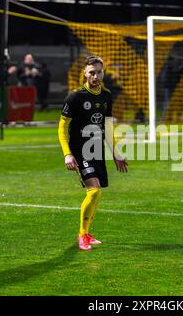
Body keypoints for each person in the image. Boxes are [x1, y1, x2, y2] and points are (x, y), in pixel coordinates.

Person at [58, 55, 128, 251]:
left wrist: (116, 153)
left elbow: (107, 127)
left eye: (99, 72)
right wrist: (67, 154)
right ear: (84, 74)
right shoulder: (75, 97)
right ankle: (81, 235)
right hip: (80, 151)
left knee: (97, 194)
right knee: (94, 190)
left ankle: (87, 233)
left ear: (103, 73)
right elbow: (62, 128)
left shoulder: (106, 96)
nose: (95, 76)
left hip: (96, 149)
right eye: (92, 73)